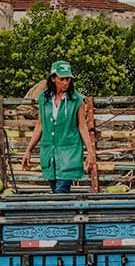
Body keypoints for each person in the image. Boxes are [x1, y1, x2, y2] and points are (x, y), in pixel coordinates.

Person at [21, 60, 97, 194]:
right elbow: (40, 126)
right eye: (62, 79)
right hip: (50, 155)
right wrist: (28, 150)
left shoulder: (77, 100)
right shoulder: (43, 99)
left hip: (69, 154)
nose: (65, 82)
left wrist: (90, 152)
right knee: (56, 192)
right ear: (53, 78)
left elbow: (82, 127)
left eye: (68, 79)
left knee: (61, 191)